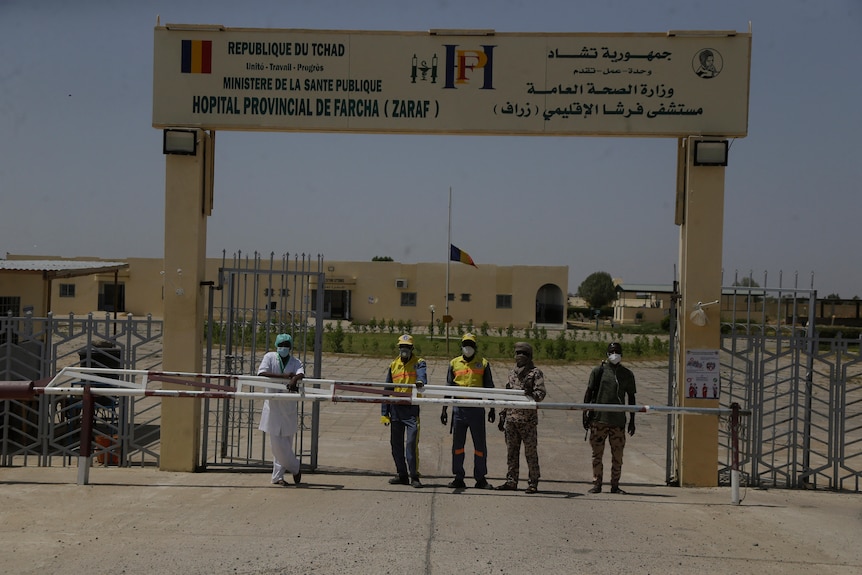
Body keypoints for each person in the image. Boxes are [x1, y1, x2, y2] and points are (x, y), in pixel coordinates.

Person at [441, 333, 495, 489]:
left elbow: (489, 387)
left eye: (470, 344)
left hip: (477, 410)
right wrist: (444, 409)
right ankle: (459, 477)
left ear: (475, 347)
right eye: (465, 344)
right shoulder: (454, 363)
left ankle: (480, 478)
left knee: (480, 446)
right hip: (459, 410)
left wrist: (492, 407)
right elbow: (448, 387)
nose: (468, 347)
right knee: (458, 446)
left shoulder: (483, 364)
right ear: (461, 346)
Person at [583, 341, 636, 494]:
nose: (615, 354)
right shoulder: (598, 372)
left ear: (622, 355)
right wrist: (585, 413)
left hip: (618, 422)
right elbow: (589, 392)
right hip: (599, 420)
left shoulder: (627, 374)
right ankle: (597, 483)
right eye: (612, 351)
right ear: (607, 354)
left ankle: (615, 485)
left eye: (617, 351)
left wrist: (632, 420)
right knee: (597, 454)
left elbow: (631, 398)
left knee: (617, 456)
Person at [496, 342, 547, 494]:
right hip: (511, 420)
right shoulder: (512, 373)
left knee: (530, 453)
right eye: (518, 353)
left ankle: (533, 482)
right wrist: (502, 414)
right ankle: (511, 481)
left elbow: (541, 394)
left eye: (523, 353)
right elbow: (507, 395)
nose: (520, 356)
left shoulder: (535, 373)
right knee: (512, 452)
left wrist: (531, 392)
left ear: (529, 356)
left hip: (528, 421)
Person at [257, 333, 304, 486]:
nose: (284, 347)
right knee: (277, 445)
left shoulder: (295, 361)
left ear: (290, 347)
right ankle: (295, 467)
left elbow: (300, 372)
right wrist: (283, 376)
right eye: (281, 344)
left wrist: (294, 379)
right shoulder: (270, 357)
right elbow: (262, 372)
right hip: (273, 407)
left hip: (288, 407)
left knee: (287, 443)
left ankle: (278, 477)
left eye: (286, 345)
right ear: (276, 345)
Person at [382, 334, 426, 488]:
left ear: (412, 348)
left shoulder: (419, 363)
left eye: (407, 347)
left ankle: (414, 475)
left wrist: (420, 382)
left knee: (411, 444)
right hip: (395, 409)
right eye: (402, 347)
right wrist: (384, 413)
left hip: (411, 409)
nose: (404, 350)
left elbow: (422, 376)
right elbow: (387, 389)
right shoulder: (393, 365)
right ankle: (402, 475)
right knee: (396, 445)